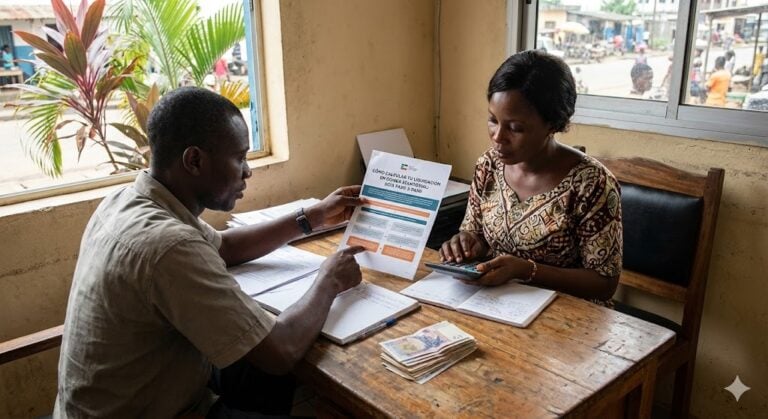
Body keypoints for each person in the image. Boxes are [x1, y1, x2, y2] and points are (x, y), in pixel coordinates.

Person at [54, 87, 367, 418]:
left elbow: (226, 246)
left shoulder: (130, 201)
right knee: (281, 366)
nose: (247, 171)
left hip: (127, 398)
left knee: (260, 368)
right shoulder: (169, 246)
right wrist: (329, 280)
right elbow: (282, 349)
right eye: (239, 157)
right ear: (195, 160)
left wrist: (311, 216)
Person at [439, 50, 622, 306]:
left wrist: (526, 270)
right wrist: (466, 243)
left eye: (515, 128)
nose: (497, 137)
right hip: (497, 302)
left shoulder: (591, 183)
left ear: (553, 124)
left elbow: (604, 284)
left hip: (570, 315)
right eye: (493, 120)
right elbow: (475, 233)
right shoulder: (488, 165)